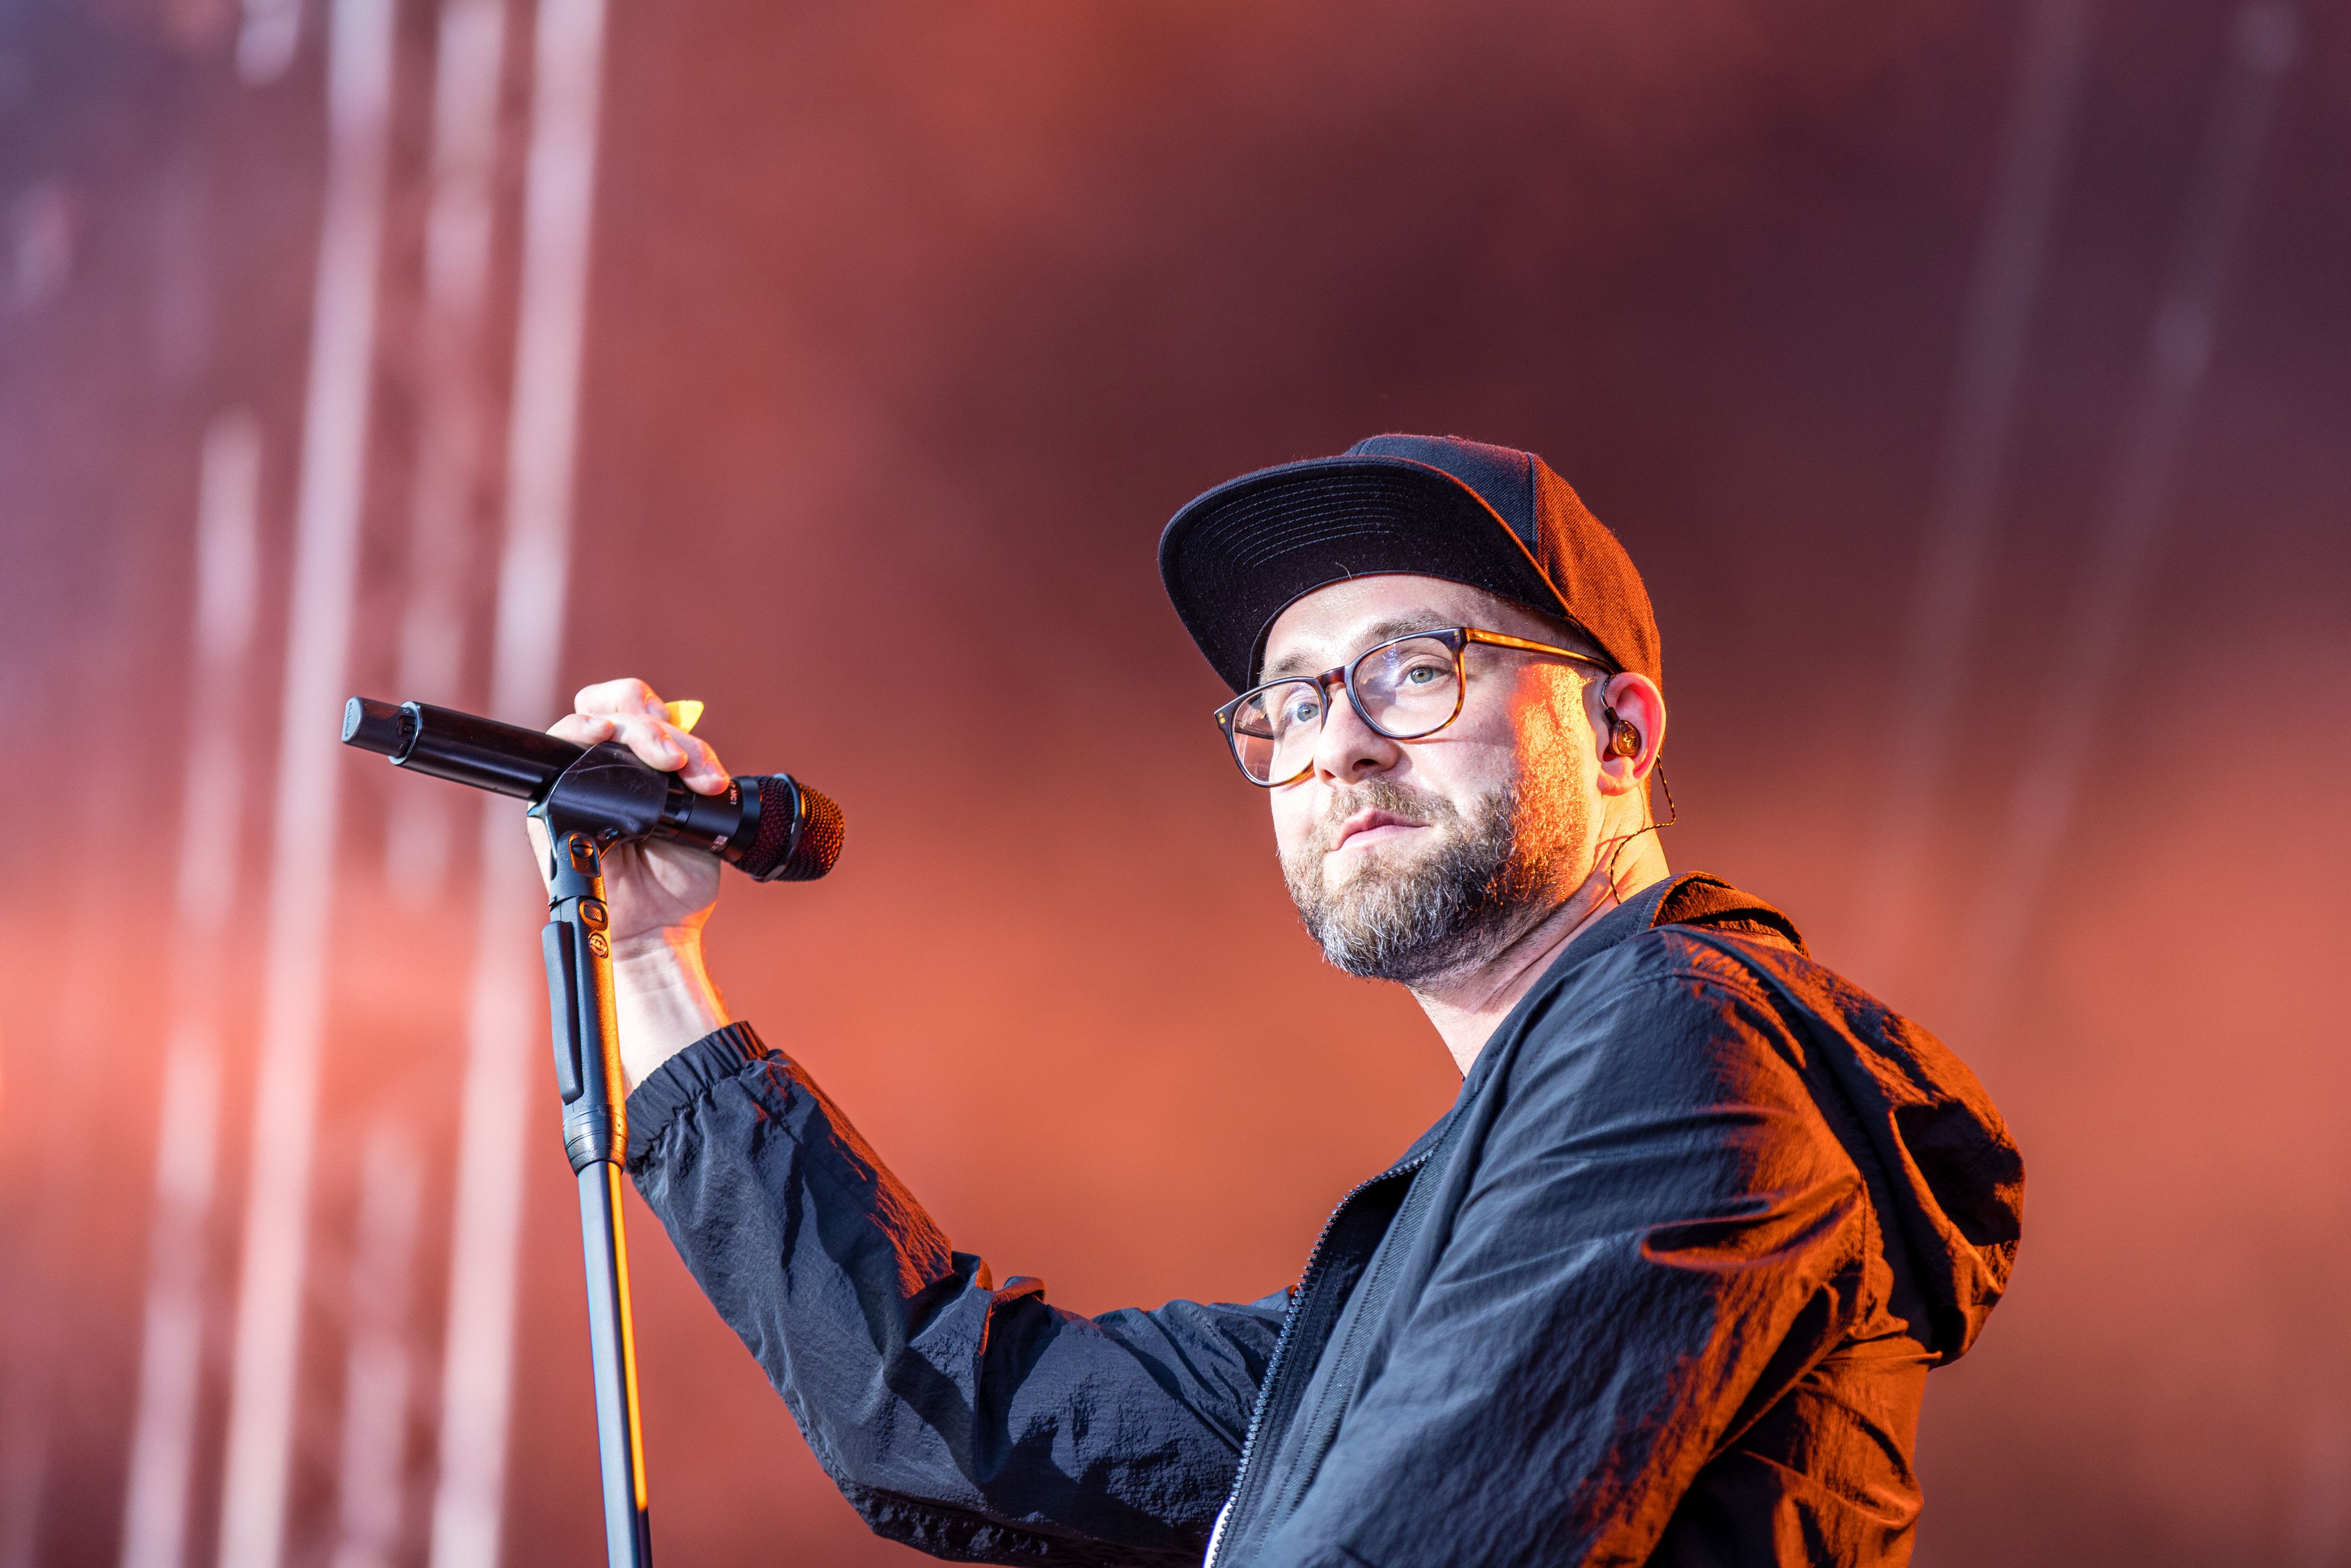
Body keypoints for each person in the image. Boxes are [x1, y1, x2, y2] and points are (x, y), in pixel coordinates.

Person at [548, 435, 2024, 1567]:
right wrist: (648, 962)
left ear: (1619, 732)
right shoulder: (1443, 1244)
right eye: (1294, 699)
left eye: (1409, 667)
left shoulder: (1688, 1039)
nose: (1340, 745)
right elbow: (954, 1414)